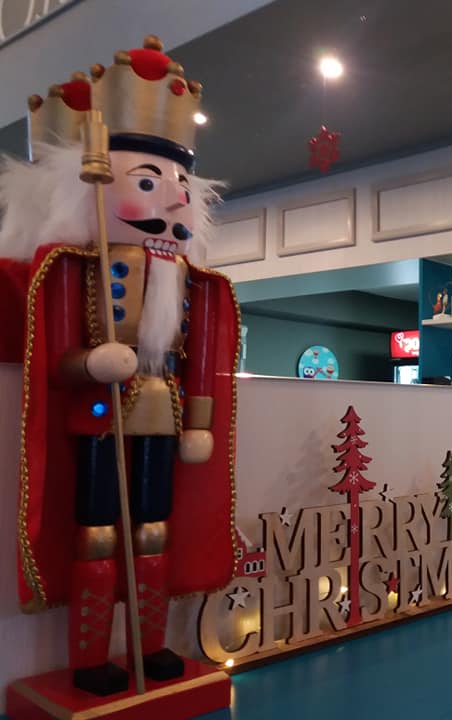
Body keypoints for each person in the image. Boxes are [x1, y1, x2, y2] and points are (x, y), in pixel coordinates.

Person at [0, 36, 239, 696]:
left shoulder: (189, 280)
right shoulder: (69, 270)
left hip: (162, 412)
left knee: (155, 530)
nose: (173, 199)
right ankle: (89, 659)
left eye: (179, 185)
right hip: (99, 415)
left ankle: (149, 645)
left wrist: (199, 419)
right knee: (99, 534)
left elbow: (197, 359)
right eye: (149, 182)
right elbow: (53, 357)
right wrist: (90, 361)